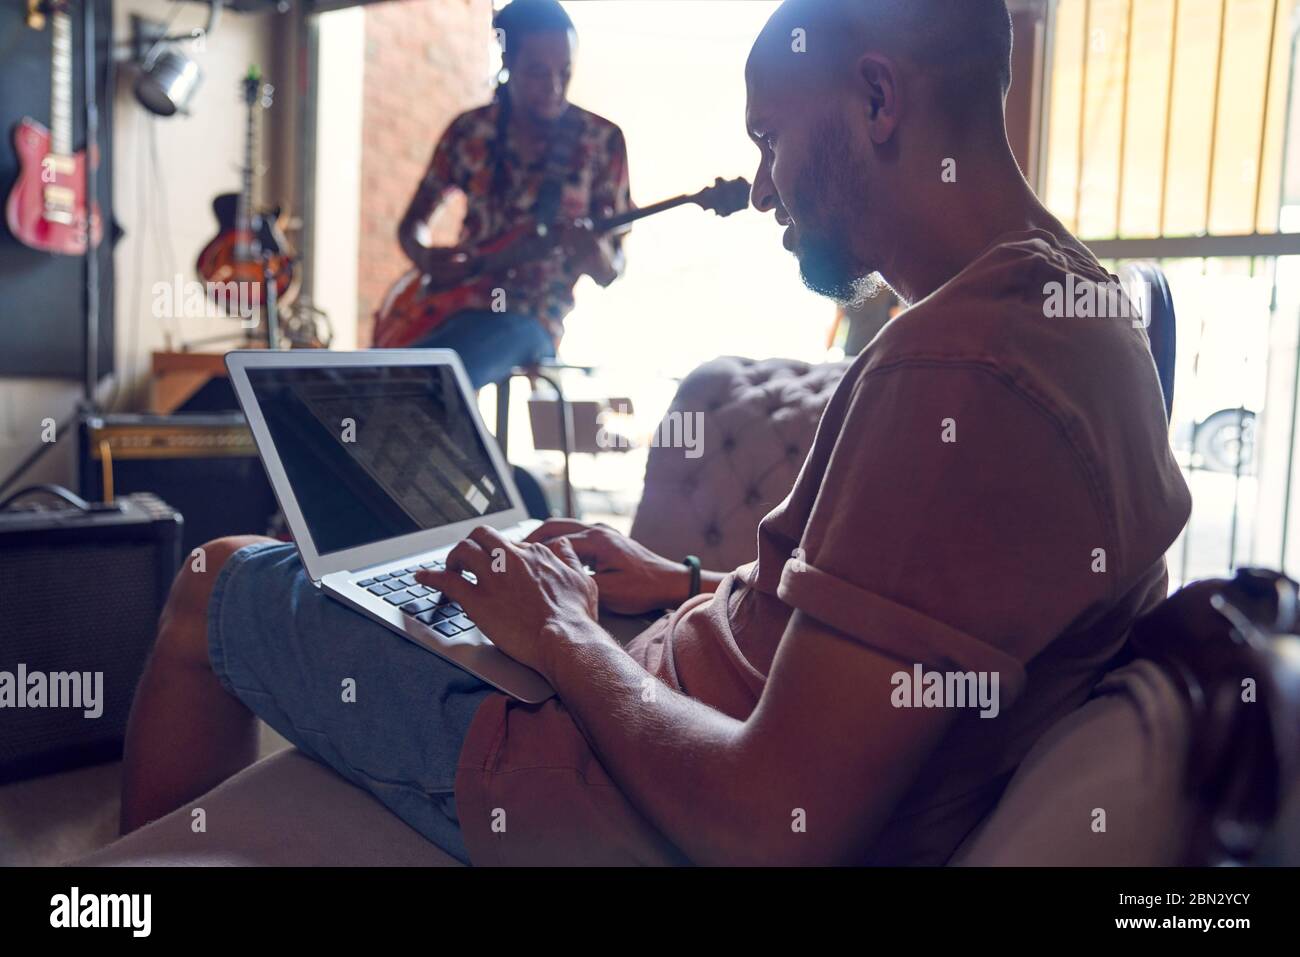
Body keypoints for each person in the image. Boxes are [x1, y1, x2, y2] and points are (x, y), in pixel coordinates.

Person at [121, 0, 1191, 865]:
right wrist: (677, 582)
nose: (763, 186)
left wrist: (564, 635)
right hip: (639, 690)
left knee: (216, 578)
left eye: (769, 140)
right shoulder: (1085, 313)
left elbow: (773, 827)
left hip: (571, 775)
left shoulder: (959, 375)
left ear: (875, 98)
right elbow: (876, 637)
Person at [376, 0, 631, 389]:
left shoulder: (601, 141)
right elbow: (412, 225)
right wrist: (427, 258)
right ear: (507, 61)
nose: (554, 87)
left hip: (532, 317)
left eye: (564, 72)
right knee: (371, 377)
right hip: (450, 305)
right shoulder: (469, 131)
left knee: (433, 380)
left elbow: (612, 268)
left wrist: (593, 252)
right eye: (537, 73)